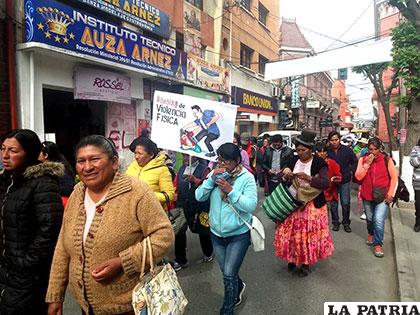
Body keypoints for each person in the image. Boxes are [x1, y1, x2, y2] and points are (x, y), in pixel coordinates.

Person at [46, 135, 174, 315]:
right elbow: (63, 248)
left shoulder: (137, 192)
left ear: (114, 162)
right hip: (86, 306)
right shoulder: (77, 195)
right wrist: (55, 295)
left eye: (95, 159)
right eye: (81, 161)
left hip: (128, 305)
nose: (87, 167)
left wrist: (123, 261)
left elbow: (164, 235)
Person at [0, 129, 64, 314]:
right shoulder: (7, 181)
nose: (5, 155)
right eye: (3, 149)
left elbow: (50, 229)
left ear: (29, 152)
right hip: (7, 268)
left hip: (29, 274)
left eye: (13, 151)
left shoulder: (43, 183)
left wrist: (26, 262)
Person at [195, 143, 257, 315]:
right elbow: (199, 196)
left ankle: (227, 310)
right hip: (216, 234)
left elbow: (251, 205)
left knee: (229, 273)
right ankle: (239, 286)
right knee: (226, 270)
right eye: (219, 160)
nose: (222, 165)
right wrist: (209, 180)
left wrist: (230, 191)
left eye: (226, 162)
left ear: (236, 161)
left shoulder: (246, 177)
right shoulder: (215, 175)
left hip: (239, 235)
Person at [274, 130, 334, 277]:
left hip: (311, 205)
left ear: (310, 149)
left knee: (307, 236)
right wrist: (286, 173)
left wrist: (308, 178)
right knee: (293, 235)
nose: (300, 153)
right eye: (298, 150)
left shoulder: (319, 163)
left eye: (303, 150)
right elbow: (280, 174)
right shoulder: (292, 159)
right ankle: (292, 259)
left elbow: (325, 183)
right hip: (292, 203)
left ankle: (306, 262)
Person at [354, 137, 398, 257]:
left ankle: (378, 244)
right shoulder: (363, 160)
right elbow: (358, 177)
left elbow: (394, 177)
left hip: (382, 196)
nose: (372, 152)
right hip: (367, 195)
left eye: (375, 149)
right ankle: (371, 233)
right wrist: (367, 164)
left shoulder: (386, 160)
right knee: (370, 219)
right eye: (370, 149)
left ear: (380, 149)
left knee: (378, 220)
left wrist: (390, 194)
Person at [173, 154, 213, 271]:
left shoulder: (205, 169)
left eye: (187, 156)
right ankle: (181, 260)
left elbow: (208, 186)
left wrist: (195, 180)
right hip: (182, 205)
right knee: (179, 231)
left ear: (195, 157)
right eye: (184, 156)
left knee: (203, 231)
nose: (185, 158)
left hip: (199, 205)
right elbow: (176, 183)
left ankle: (208, 252)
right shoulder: (181, 168)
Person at [126, 137, 175, 206]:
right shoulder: (132, 167)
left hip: (152, 213)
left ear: (151, 155)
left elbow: (170, 195)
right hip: (131, 211)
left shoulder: (162, 170)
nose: (136, 156)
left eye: (140, 153)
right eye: (135, 153)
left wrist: (147, 195)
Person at [327, 131, 358, 232]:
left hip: (344, 180)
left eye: (336, 140)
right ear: (329, 141)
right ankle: (335, 222)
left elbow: (355, 162)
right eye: (332, 140)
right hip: (332, 182)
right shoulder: (327, 152)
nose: (334, 142)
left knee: (345, 203)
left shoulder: (347, 150)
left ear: (339, 139)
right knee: (333, 204)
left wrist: (350, 172)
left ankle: (346, 222)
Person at [39, 141, 76, 206]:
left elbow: (69, 188)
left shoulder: (60, 169)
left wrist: (50, 188)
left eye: (39, 152)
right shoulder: (40, 169)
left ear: (46, 155)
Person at [409, 139, 420, 232]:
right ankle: (418, 223)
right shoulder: (416, 149)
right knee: (419, 204)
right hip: (418, 182)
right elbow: (414, 162)